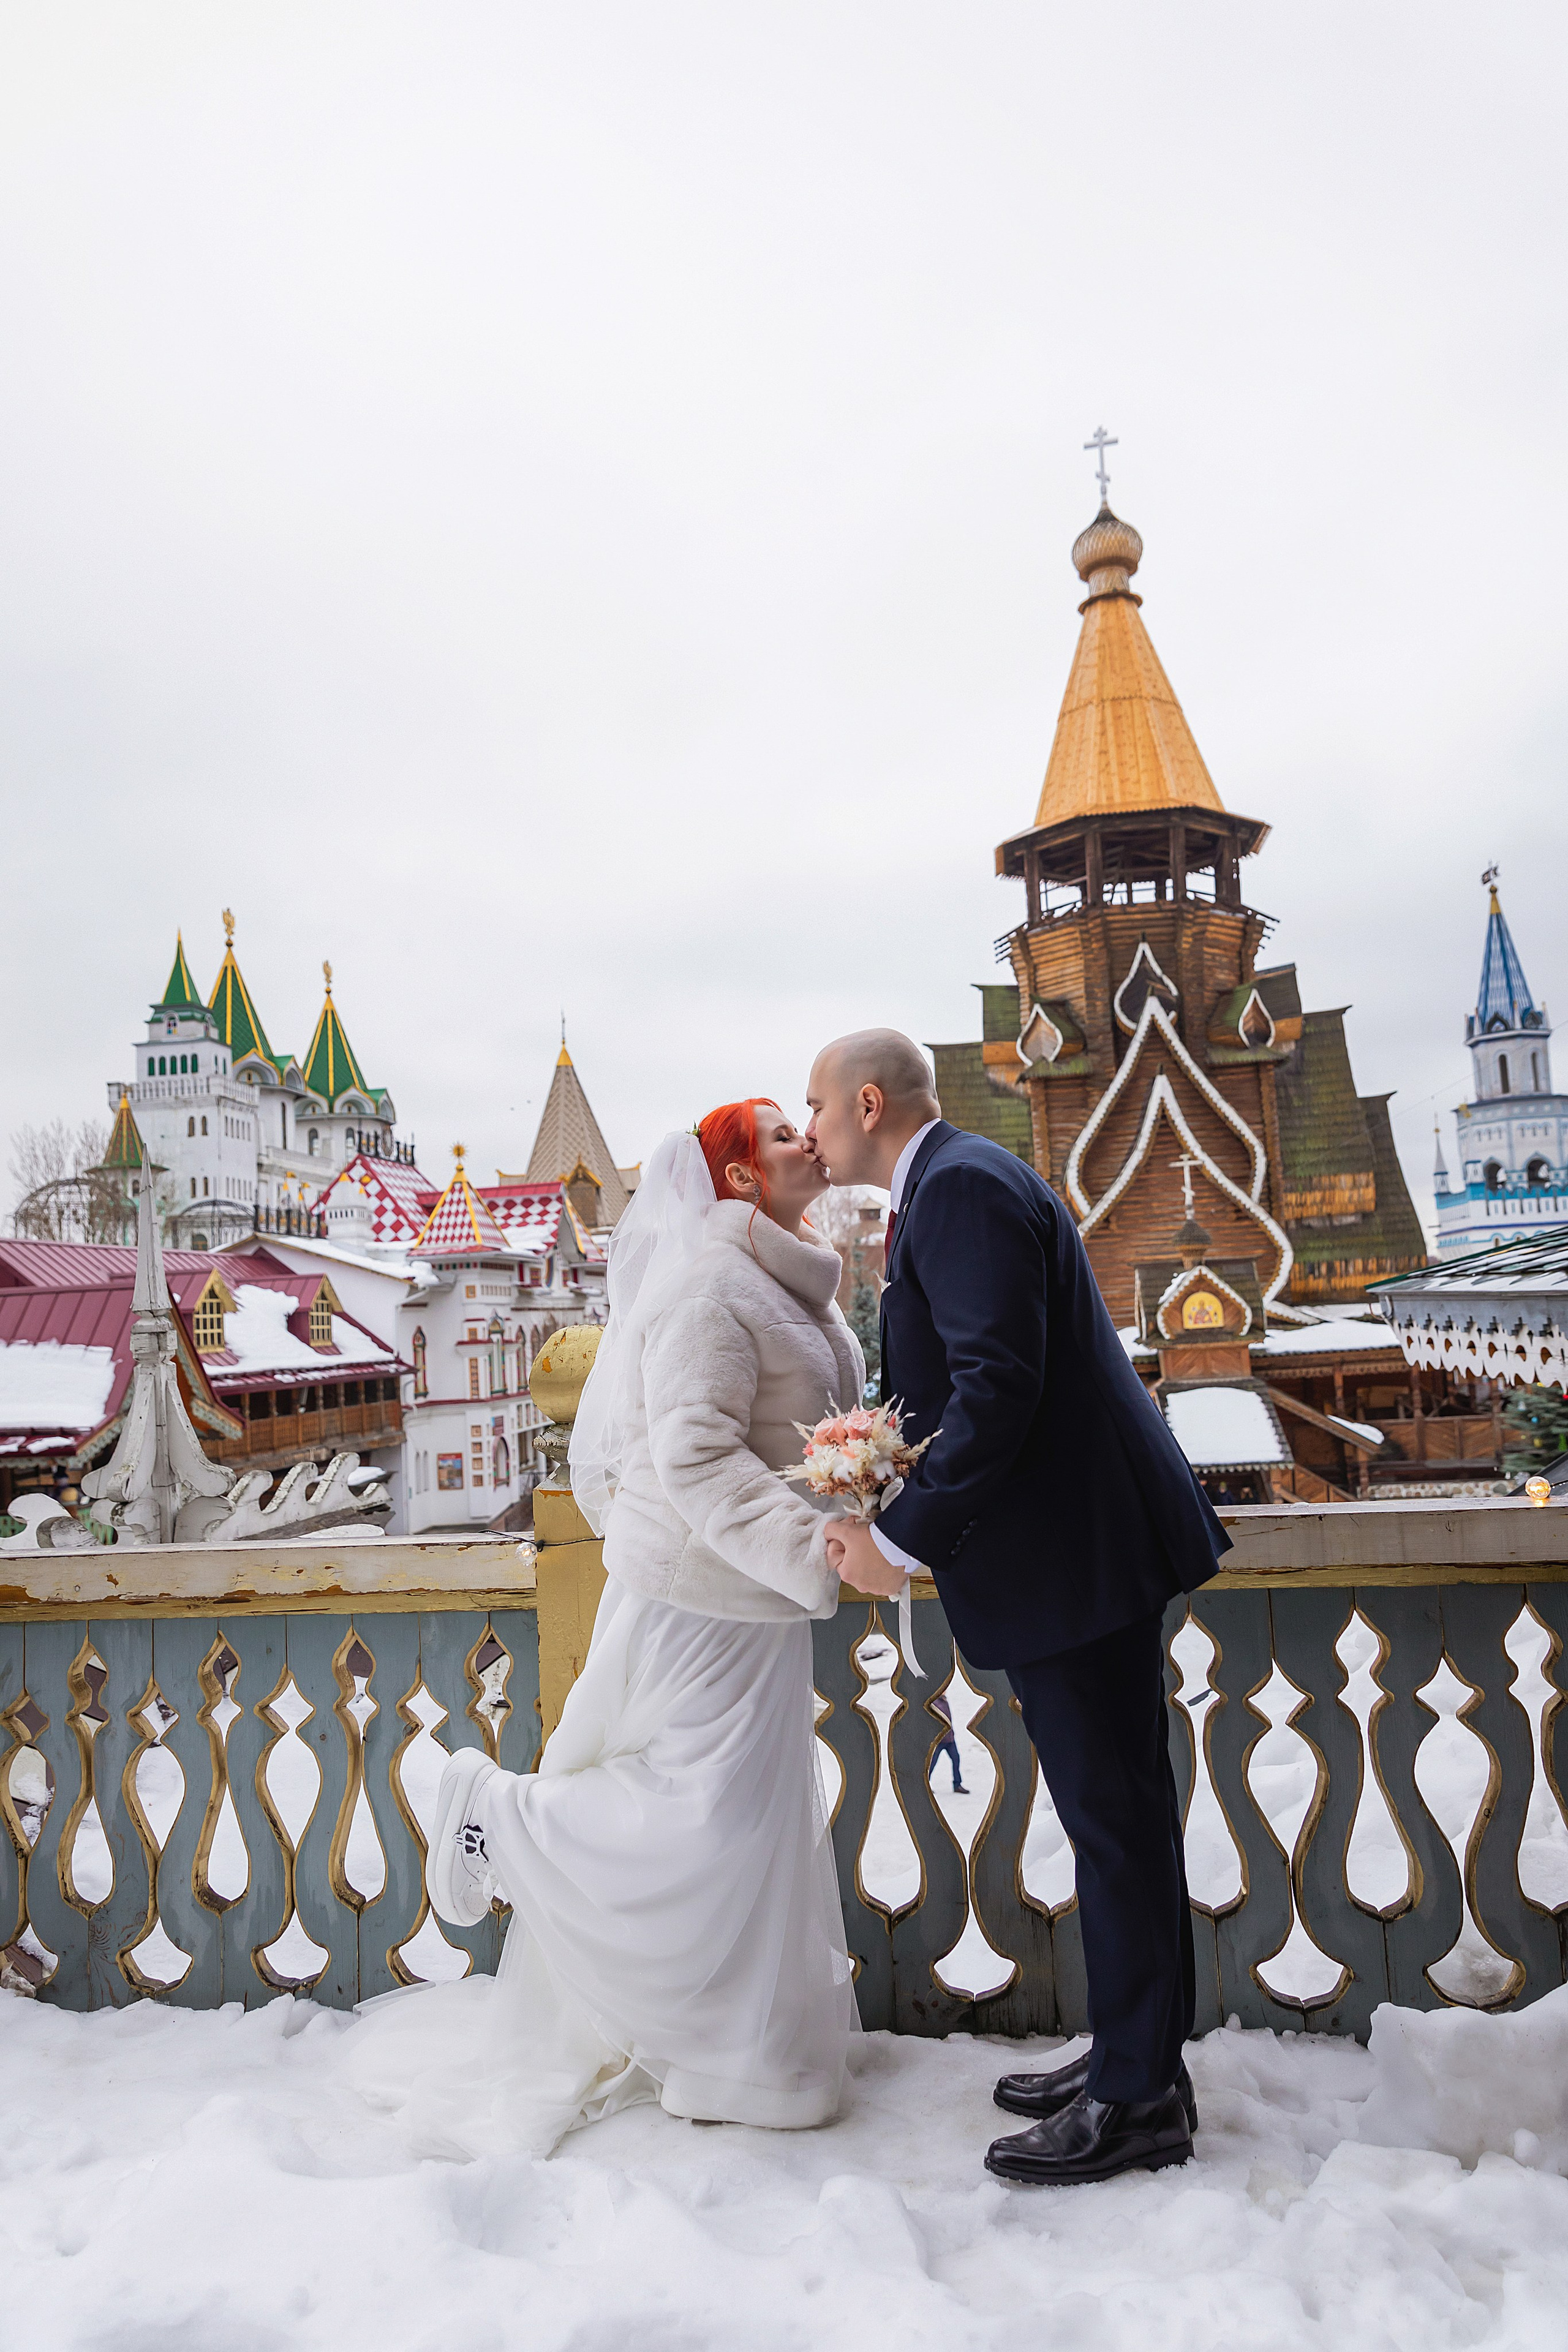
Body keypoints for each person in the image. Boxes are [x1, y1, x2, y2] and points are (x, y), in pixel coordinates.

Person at [341, 1101, 861, 2156]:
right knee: (703, 1820)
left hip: (760, 1598)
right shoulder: (710, 1291)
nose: (808, 1139)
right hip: (699, 1593)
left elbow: (797, 1440)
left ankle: (739, 2056)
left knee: (756, 1829)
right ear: (741, 1180)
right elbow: (698, 1458)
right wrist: (816, 1548)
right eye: (780, 1135)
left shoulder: (792, 1279)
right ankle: (490, 1806)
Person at [805, 1028, 1231, 2188]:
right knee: (1120, 1818)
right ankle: (1140, 2062)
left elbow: (1000, 1388)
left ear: (872, 1102)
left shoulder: (957, 1191)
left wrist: (896, 1535)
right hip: (1076, 1551)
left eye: (819, 1108)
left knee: (1115, 1821)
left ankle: (1140, 2098)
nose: (811, 1129)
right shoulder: (954, 1185)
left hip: (1076, 1555)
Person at [929, 1692, 969, 1795]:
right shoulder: (935, 1703)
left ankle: (957, 1785)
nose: (945, 1690)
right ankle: (925, 1784)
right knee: (931, 1763)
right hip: (939, 1741)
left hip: (950, 1740)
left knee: (956, 1759)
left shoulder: (944, 1700)